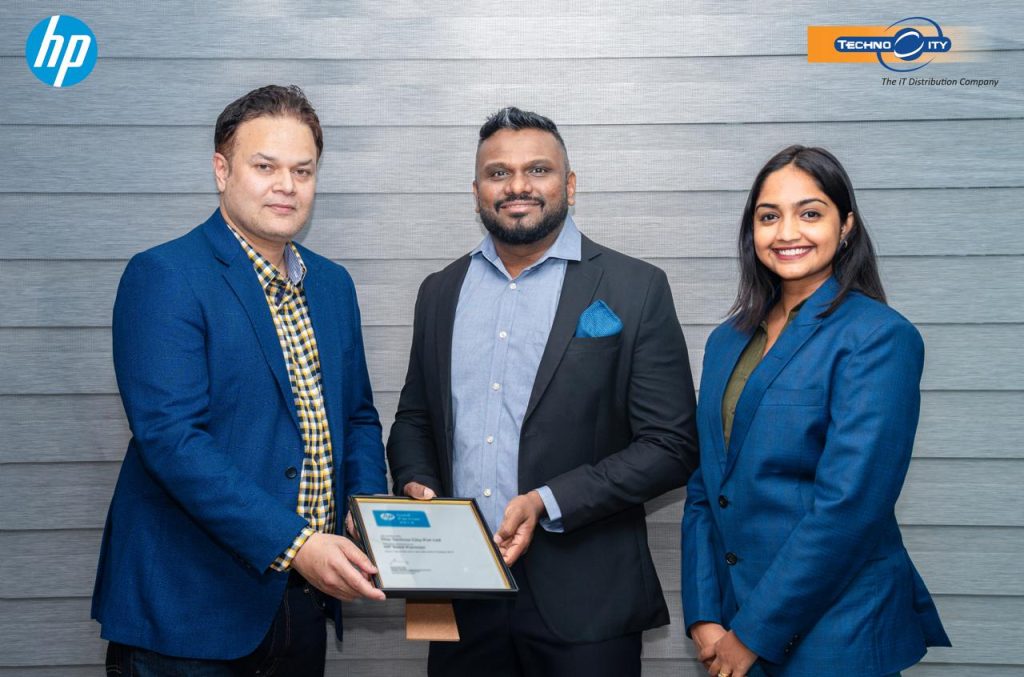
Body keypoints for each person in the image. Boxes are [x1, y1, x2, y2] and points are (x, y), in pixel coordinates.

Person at [386, 106, 699, 677]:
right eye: (498, 173)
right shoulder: (440, 291)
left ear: (569, 185)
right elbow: (415, 419)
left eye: (537, 170)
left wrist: (547, 501)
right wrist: (417, 483)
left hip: (586, 601)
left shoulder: (635, 287)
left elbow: (670, 446)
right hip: (463, 590)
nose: (517, 186)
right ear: (477, 192)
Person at [92, 85, 388, 675]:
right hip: (189, 610)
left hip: (302, 603)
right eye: (265, 167)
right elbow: (173, 439)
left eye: (302, 170)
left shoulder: (333, 285)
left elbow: (356, 416)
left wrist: (366, 509)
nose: (287, 185)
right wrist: (298, 544)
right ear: (222, 170)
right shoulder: (165, 275)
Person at [681, 145, 951, 677]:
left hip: (837, 632)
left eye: (809, 213)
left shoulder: (878, 338)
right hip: (731, 623)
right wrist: (705, 615)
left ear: (845, 225)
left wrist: (753, 634)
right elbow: (706, 485)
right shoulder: (726, 340)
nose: (787, 233)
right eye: (769, 217)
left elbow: (849, 508)